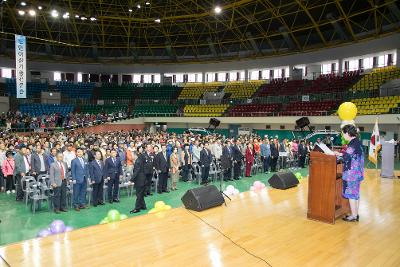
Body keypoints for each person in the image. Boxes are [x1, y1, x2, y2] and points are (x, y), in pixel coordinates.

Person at [336, 125, 364, 222]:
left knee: (352, 194)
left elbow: (346, 158)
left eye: (343, 133)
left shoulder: (352, 144)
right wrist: (340, 154)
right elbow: (350, 155)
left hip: (352, 173)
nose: (343, 135)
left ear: (348, 133)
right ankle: (356, 214)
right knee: (356, 193)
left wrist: (338, 155)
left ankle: (354, 216)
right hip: (357, 172)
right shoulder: (358, 141)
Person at [130, 147, 147, 213]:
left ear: (135, 155)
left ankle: (137, 208)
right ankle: (143, 206)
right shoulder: (140, 160)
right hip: (142, 179)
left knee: (139, 194)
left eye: (132, 155)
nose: (132, 156)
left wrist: (131, 179)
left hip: (139, 180)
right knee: (141, 194)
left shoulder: (137, 162)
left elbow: (136, 172)